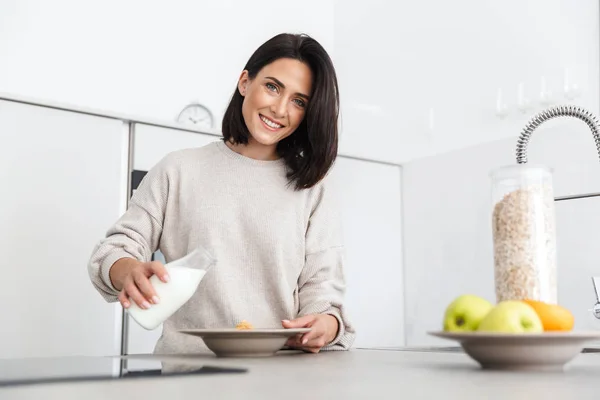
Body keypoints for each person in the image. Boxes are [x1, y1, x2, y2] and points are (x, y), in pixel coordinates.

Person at [88, 32, 355, 354]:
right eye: (272, 87)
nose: (281, 109)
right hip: (191, 376)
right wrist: (129, 270)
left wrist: (326, 323)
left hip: (284, 376)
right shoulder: (178, 169)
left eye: (299, 101)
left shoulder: (311, 188)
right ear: (245, 83)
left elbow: (322, 292)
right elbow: (113, 250)